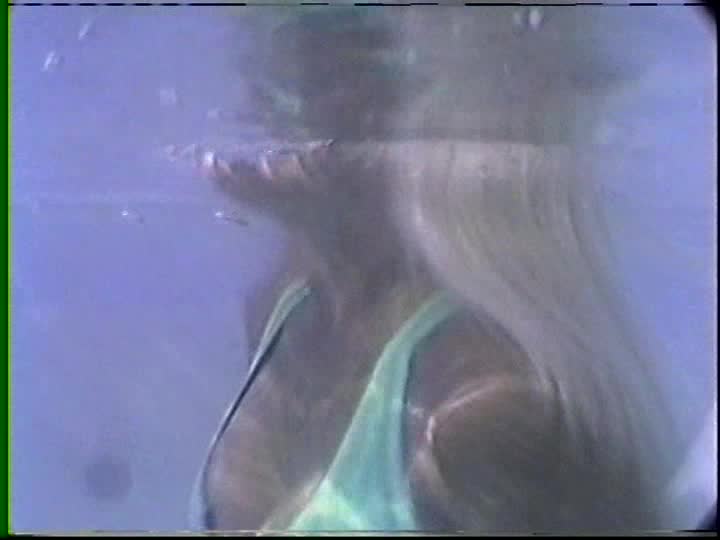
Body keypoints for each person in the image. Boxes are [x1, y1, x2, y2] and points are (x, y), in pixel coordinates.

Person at [188, 6, 716, 532]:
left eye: (332, 74)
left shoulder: (483, 412)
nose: (269, 94)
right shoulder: (287, 315)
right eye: (283, 68)